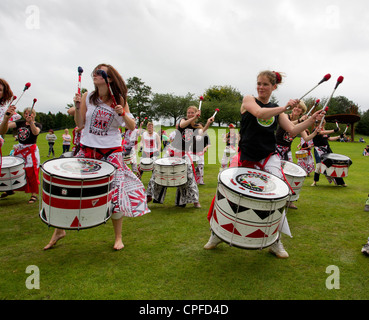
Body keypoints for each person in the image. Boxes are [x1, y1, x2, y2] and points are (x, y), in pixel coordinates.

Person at [204, 70, 325, 258]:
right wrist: (283, 108)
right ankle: (217, 234)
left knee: (278, 196)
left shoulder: (277, 109)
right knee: (231, 194)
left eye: (265, 84)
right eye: (258, 83)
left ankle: (275, 241)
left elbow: (292, 130)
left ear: (273, 87)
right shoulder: (249, 100)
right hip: (246, 156)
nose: (260, 87)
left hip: (269, 156)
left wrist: (312, 119)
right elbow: (259, 113)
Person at [43, 63, 150, 251]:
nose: (95, 75)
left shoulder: (119, 99)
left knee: (114, 193)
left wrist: (122, 113)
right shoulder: (87, 97)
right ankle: (59, 230)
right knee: (73, 189)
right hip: (87, 150)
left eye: (100, 73)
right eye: (94, 72)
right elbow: (80, 124)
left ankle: (118, 237)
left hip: (111, 152)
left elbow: (132, 126)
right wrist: (77, 108)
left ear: (109, 79)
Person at [146, 106, 214, 208]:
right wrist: (193, 117)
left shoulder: (196, 127)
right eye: (188, 112)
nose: (189, 114)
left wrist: (208, 123)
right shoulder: (183, 120)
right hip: (172, 151)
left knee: (189, 176)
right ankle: (150, 195)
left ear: (196, 113)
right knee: (158, 171)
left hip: (184, 153)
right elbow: (182, 124)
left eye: (192, 113)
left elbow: (202, 132)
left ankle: (194, 200)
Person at [0, 106, 42, 203]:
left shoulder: (37, 124)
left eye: (30, 113)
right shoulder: (20, 123)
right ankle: (10, 189)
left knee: (31, 172)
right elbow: (7, 126)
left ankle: (33, 194)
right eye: (26, 113)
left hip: (31, 151)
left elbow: (35, 132)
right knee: (15, 169)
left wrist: (31, 122)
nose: (27, 115)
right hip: (20, 149)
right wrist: (5, 118)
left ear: (34, 115)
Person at [310, 120, 346, 187]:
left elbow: (330, 138)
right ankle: (315, 181)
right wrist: (334, 130)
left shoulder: (325, 131)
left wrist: (339, 136)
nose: (322, 124)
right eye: (321, 122)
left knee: (333, 165)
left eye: (323, 122)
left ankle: (341, 182)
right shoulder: (316, 130)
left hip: (327, 149)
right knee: (319, 165)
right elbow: (321, 132)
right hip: (318, 150)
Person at [0, 78, 21, 166]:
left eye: (0, 90)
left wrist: (5, 119)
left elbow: (1, 131)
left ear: (3, 94)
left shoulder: (3, 110)